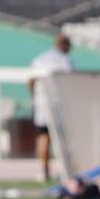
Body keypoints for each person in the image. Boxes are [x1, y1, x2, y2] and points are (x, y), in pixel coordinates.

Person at [28, 34, 74, 183]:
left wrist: (34, 98)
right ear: (66, 45)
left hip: (42, 104)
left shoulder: (40, 59)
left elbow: (30, 81)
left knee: (44, 137)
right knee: (62, 140)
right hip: (58, 105)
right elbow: (71, 83)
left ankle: (44, 170)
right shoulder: (65, 61)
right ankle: (65, 171)